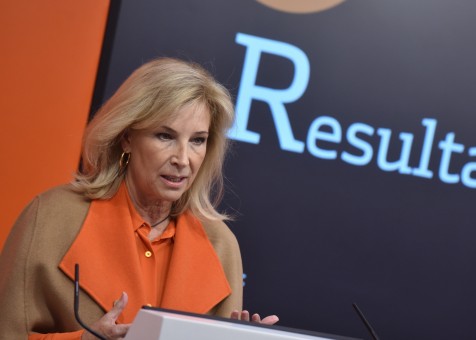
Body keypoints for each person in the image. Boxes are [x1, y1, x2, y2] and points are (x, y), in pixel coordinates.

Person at [0, 57, 278, 339]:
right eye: (164, 136)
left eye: (197, 140)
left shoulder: (221, 246)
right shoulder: (51, 219)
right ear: (127, 137)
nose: (183, 159)